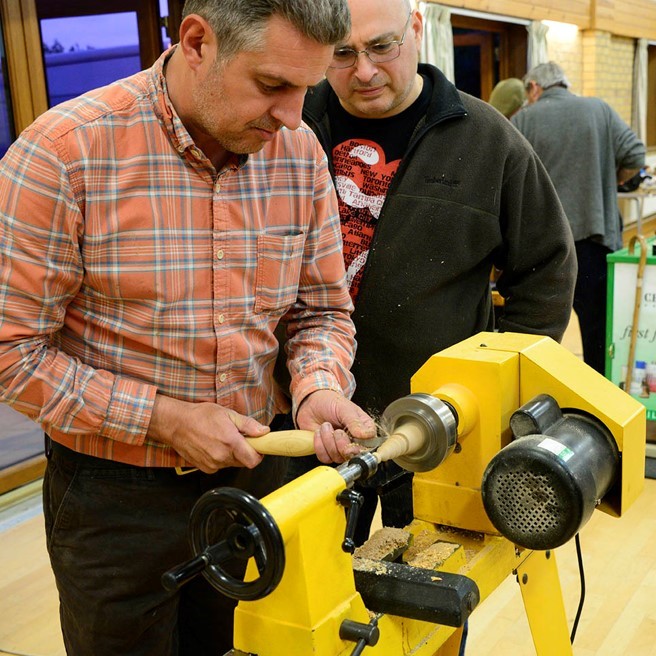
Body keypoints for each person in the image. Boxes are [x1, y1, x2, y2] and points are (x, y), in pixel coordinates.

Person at [0, 1, 378, 654]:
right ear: (198, 41)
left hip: (255, 481)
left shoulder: (297, 154)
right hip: (113, 503)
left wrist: (316, 387)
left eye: (306, 89)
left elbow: (318, 311)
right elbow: (12, 353)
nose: (293, 116)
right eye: (272, 84)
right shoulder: (63, 154)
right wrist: (164, 419)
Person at [282, 0, 577, 550]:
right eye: (342, 53)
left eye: (381, 47)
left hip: (434, 427)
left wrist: (494, 387)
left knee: (425, 588)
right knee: (306, 583)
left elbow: (546, 268)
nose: (363, 71)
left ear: (415, 29)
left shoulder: (489, 140)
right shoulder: (285, 125)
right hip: (302, 419)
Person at [513, 61, 646, 374]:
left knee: (536, 333)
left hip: (543, 248)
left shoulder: (524, 119)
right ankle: (597, 395)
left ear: (534, 88)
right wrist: (611, 181)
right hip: (593, 241)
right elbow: (636, 156)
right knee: (597, 331)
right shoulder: (599, 109)